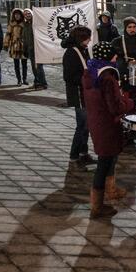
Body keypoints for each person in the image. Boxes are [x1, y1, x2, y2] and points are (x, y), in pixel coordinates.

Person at [82, 41, 135, 218]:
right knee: (104, 163)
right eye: (114, 54)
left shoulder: (90, 73)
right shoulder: (107, 78)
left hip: (97, 122)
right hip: (108, 124)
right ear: (108, 56)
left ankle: (110, 190)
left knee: (108, 158)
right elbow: (116, 107)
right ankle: (96, 207)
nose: (116, 57)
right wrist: (129, 102)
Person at [62, 26, 96, 171]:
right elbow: (69, 76)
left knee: (87, 126)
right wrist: (86, 78)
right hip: (78, 93)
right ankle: (73, 157)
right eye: (87, 37)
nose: (89, 40)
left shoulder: (83, 49)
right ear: (80, 38)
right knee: (81, 126)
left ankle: (84, 153)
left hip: (85, 92)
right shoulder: (71, 53)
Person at [22, 9, 48, 90]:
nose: (27, 15)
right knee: (34, 67)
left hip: (38, 48)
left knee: (38, 67)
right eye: (25, 14)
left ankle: (42, 84)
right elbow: (25, 38)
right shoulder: (25, 24)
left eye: (29, 13)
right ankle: (37, 82)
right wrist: (25, 49)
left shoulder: (36, 23)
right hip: (30, 48)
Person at [4, 8, 28, 86]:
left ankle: (25, 79)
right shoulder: (12, 24)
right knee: (16, 64)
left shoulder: (25, 23)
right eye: (15, 14)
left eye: (18, 14)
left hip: (23, 46)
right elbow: (8, 34)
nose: (17, 16)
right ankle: (19, 80)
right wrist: (6, 44)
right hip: (14, 45)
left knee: (24, 64)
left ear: (21, 15)